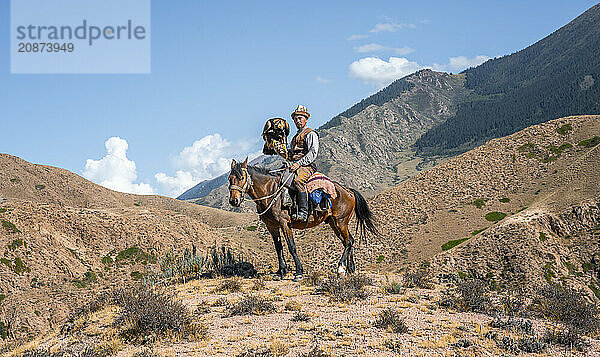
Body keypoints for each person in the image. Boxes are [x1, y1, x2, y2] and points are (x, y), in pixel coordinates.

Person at [288, 104, 319, 221]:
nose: (297, 120)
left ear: (306, 119)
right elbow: (291, 154)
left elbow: (312, 153)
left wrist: (298, 163)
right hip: (295, 165)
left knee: (298, 180)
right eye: (295, 119)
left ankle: (303, 212)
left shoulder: (310, 134)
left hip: (307, 166)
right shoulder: (294, 137)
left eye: (300, 118)